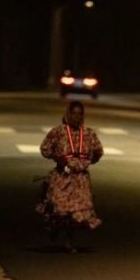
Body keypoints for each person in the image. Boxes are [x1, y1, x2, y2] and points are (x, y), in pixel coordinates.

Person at [36, 101, 104, 252]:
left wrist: (88, 161)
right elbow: (45, 148)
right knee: (58, 208)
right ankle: (53, 227)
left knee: (75, 212)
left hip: (80, 178)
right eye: (74, 113)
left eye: (80, 114)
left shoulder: (88, 133)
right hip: (62, 176)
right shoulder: (58, 132)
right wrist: (58, 158)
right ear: (68, 114)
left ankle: (69, 241)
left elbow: (98, 151)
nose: (77, 117)